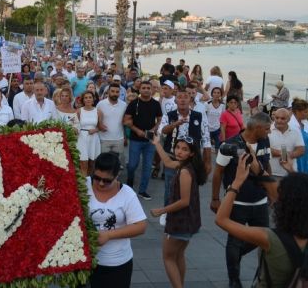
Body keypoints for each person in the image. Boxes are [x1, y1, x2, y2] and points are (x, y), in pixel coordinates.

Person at [215, 158, 308, 288]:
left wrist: (236, 183)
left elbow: (221, 220)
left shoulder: (269, 238)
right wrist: (291, 172)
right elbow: (302, 195)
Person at [211, 113, 273, 288]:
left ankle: (235, 256)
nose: (269, 132)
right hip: (237, 202)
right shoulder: (229, 145)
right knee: (234, 240)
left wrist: (269, 190)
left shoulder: (264, 141)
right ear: (256, 128)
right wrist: (215, 198)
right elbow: (218, 173)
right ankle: (234, 280)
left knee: (262, 239)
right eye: (267, 129)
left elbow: (266, 164)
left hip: (260, 201)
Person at [150, 134, 207, 288]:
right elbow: (167, 162)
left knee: (168, 257)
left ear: (192, 153)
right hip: (189, 221)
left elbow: (184, 201)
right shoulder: (185, 165)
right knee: (178, 255)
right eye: (177, 147)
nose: (179, 151)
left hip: (180, 221)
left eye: (184, 149)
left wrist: (161, 210)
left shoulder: (184, 172)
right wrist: (157, 143)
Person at [87, 152, 147, 288]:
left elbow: (141, 226)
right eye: (96, 178)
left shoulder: (127, 194)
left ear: (117, 176)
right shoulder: (82, 185)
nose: (101, 183)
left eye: (107, 180)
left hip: (116, 263)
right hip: (84, 261)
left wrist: (108, 235)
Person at [158, 89, 211, 204]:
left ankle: (188, 216)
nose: (182, 99)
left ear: (190, 99)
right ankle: (167, 214)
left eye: (185, 97)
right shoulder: (168, 115)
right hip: (172, 158)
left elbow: (206, 139)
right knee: (170, 188)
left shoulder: (200, 116)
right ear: (175, 100)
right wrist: (174, 124)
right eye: (179, 97)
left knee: (191, 189)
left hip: (192, 160)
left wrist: (207, 161)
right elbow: (162, 131)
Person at [123, 80, 163, 201]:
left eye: (148, 88)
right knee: (132, 165)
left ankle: (142, 190)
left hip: (150, 140)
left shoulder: (156, 104)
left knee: (147, 166)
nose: (146, 90)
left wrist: (153, 129)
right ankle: (129, 182)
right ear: (139, 90)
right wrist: (137, 130)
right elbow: (126, 121)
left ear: (152, 90)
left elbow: (160, 119)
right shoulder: (134, 103)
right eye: (143, 88)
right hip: (135, 139)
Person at [97, 84, 128, 170]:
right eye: (113, 91)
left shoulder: (124, 105)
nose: (115, 93)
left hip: (118, 138)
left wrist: (125, 137)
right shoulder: (101, 104)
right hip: (103, 138)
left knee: (114, 164)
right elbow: (95, 119)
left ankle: (112, 182)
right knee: (103, 163)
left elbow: (124, 122)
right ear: (108, 92)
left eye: (117, 92)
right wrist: (99, 125)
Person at [268, 109, 304, 179]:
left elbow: (301, 150)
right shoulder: (268, 129)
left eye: (282, 118)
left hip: (290, 173)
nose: (279, 120)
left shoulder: (295, 130)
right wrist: (283, 153)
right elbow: (264, 149)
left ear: (289, 119)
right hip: (271, 173)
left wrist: (286, 155)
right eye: (277, 118)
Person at [76, 91, 100, 175]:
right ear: (83, 100)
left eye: (90, 97)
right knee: (83, 162)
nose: (88, 99)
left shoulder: (98, 111)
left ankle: (90, 182)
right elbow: (76, 125)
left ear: (93, 99)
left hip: (94, 138)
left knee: (92, 163)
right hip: (82, 138)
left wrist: (95, 130)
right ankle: (83, 185)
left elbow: (100, 126)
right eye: (86, 98)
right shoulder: (79, 111)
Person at [289, 98, 308, 173]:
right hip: (294, 159)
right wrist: (285, 156)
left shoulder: (306, 124)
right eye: (305, 112)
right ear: (297, 112)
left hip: (305, 159)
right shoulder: (290, 125)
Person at [206, 87, 226, 151]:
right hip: (207, 129)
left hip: (217, 130)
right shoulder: (207, 104)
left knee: (218, 148)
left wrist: (222, 132)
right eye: (214, 92)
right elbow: (204, 117)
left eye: (218, 93)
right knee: (206, 148)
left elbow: (223, 120)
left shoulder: (222, 105)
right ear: (212, 94)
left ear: (220, 95)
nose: (216, 94)